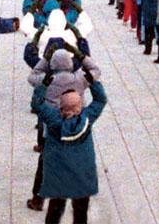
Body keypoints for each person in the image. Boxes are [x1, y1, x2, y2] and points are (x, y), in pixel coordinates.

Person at [29, 66, 108, 224]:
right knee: (80, 212)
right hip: (82, 176)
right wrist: (93, 82)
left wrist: (43, 85)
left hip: (59, 176)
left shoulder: (53, 120)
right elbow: (100, 100)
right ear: (80, 106)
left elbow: (37, 104)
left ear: (61, 106)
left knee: (55, 210)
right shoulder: (87, 118)